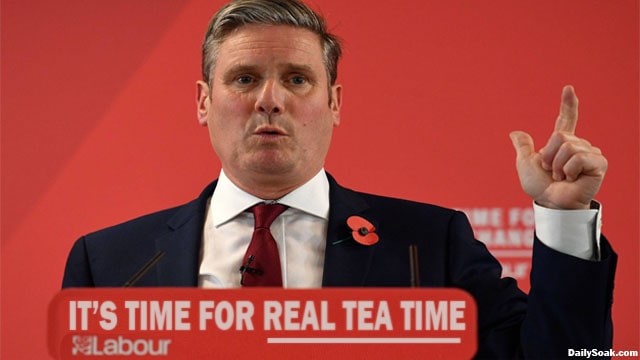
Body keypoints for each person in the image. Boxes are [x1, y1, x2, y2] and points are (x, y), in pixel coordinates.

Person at [62, 0, 616, 358]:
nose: (270, 100)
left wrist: (565, 219)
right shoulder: (109, 263)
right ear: (205, 102)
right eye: (245, 78)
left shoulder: (432, 245)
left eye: (298, 79)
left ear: (334, 102)